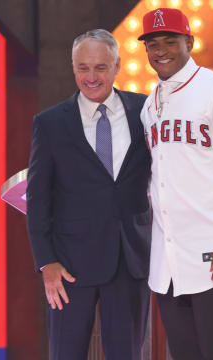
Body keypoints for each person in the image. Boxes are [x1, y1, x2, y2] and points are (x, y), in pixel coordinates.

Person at [139, 8, 213, 360]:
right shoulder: (150, 105)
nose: (160, 50)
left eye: (170, 41)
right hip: (168, 259)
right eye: (152, 43)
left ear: (189, 42)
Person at [26, 29, 151, 360]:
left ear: (117, 66)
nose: (91, 77)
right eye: (83, 68)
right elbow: (38, 199)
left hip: (130, 261)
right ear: (72, 67)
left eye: (100, 67)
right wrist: (46, 262)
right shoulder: (50, 123)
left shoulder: (146, 112)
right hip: (68, 266)